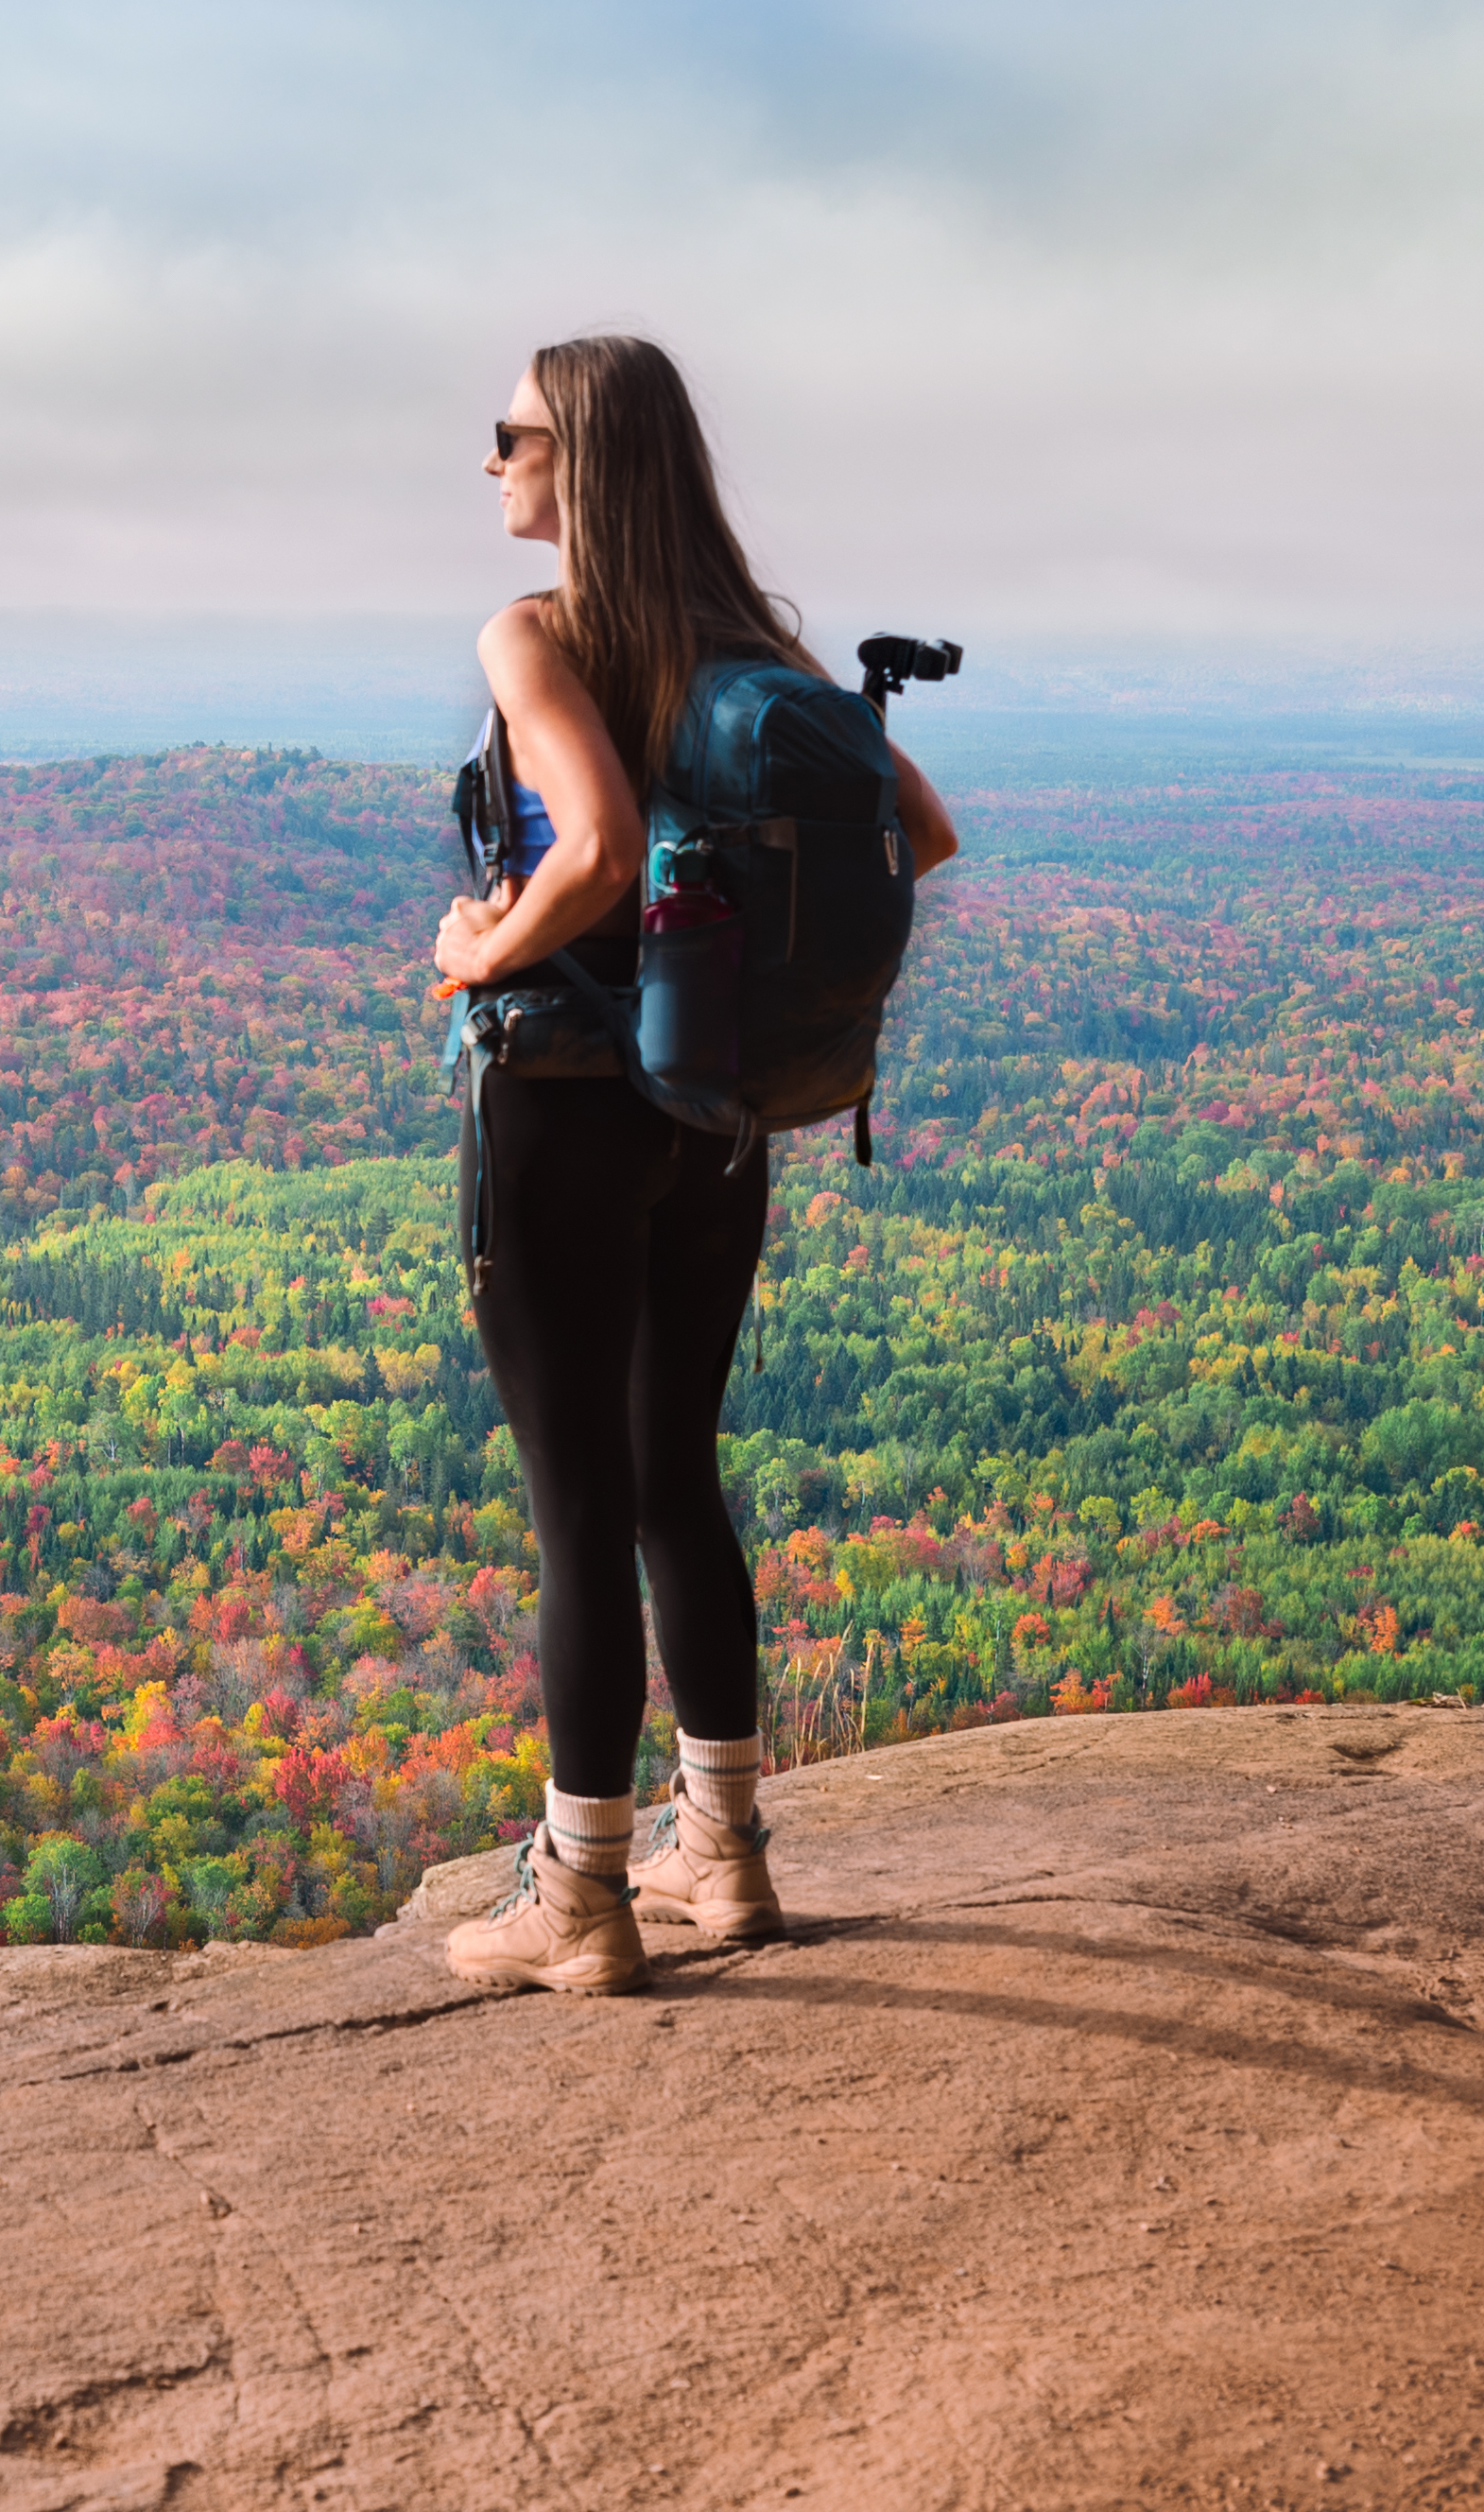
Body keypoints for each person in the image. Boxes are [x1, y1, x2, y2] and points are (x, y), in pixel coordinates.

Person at [430, 334, 958, 1996]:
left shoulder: (535, 634)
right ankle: (720, 1857)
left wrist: (475, 948)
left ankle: (578, 1891)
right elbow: (920, 831)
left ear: (577, 456)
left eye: (507, 433)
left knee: (575, 1499)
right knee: (674, 1475)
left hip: (567, 1098)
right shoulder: (751, 647)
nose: (491, 461)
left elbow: (584, 844)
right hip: (718, 1108)